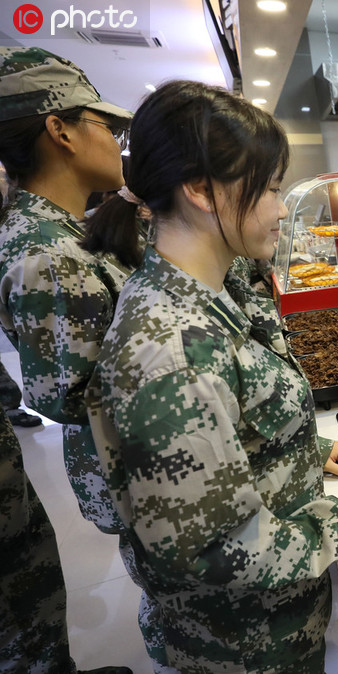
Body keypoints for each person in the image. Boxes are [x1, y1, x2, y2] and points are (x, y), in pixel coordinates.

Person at [84, 79, 338, 672]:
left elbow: (222, 431)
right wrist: (335, 526)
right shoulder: (171, 351)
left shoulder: (200, 294)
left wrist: (296, 448)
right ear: (199, 190)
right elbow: (208, 552)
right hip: (244, 645)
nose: (282, 207)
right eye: (268, 188)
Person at [0, 47, 135, 674]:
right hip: (132, 466)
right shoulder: (47, 252)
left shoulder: (65, 231)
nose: (114, 139)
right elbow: (66, 394)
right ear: (60, 130)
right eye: (104, 124)